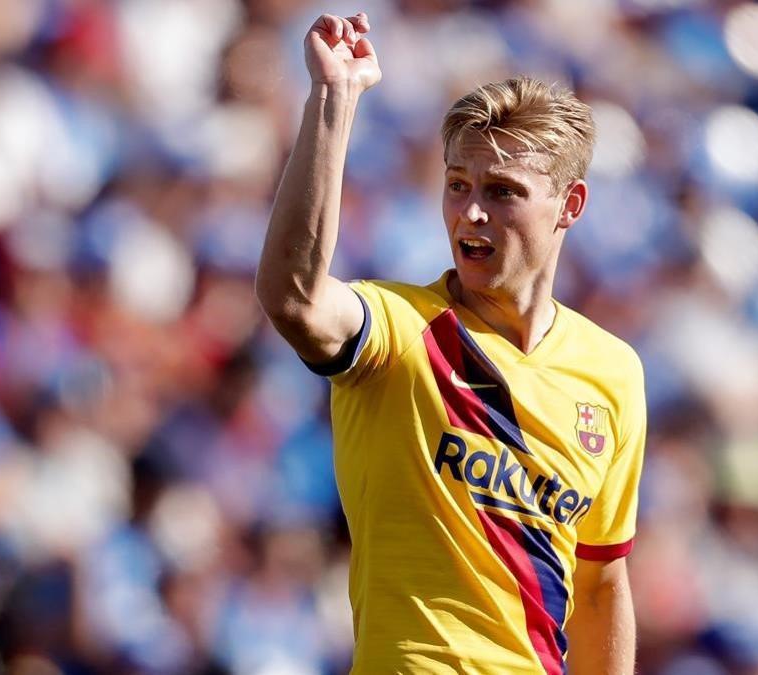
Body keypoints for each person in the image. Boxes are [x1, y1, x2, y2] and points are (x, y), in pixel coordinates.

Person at [256, 12, 645, 675]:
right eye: (458, 184)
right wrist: (334, 99)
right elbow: (295, 296)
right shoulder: (402, 330)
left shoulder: (611, 370)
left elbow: (601, 583)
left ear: (569, 205)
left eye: (503, 192)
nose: (471, 212)